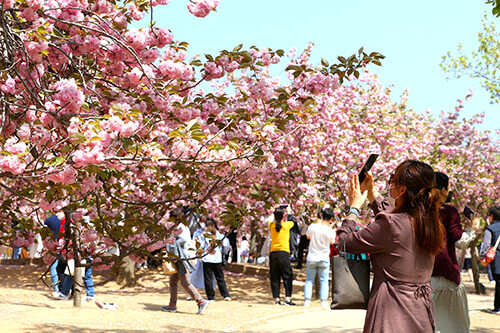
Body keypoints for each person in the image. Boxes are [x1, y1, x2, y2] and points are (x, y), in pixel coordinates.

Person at [337, 160, 444, 332]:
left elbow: (344, 242)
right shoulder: (429, 222)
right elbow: (394, 219)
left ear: (402, 190)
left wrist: (354, 208)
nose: (390, 184)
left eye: (392, 180)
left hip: (392, 314)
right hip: (421, 313)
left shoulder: (392, 225)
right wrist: (372, 193)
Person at [431, 171, 480, 332]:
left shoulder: (418, 210)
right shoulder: (449, 211)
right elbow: (460, 242)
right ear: (443, 190)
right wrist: (473, 229)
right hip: (446, 278)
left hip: (422, 277)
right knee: (453, 324)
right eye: (449, 187)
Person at [162, 209, 210, 314]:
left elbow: (180, 242)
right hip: (182, 257)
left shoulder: (179, 227)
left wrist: (168, 246)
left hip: (183, 258)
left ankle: (201, 301)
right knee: (173, 281)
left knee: (185, 281)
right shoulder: (182, 226)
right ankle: (172, 305)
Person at [303, 208, 336, 308]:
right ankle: (323, 301)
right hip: (324, 258)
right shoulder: (330, 230)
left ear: (322, 215)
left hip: (312, 257)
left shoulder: (312, 227)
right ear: (331, 218)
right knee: (324, 281)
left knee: (309, 280)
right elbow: (332, 242)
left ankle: (307, 301)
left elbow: (308, 237)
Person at [199, 218, 231, 302]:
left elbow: (200, 246)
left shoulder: (203, 235)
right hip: (217, 259)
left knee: (208, 279)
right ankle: (225, 295)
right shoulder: (219, 235)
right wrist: (223, 252)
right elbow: (226, 245)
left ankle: (211, 297)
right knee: (220, 277)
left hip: (207, 259)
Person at [268, 206, 295, 305]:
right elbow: (292, 219)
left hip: (273, 253)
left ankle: (277, 299)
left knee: (275, 276)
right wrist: (288, 211)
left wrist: (274, 209)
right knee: (287, 276)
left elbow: (271, 218)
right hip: (284, 253)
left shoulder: (271, 225)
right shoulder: (287, 225)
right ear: (284, 216)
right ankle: (287, 298)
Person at [480, 205, 500, 314]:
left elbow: (486, 246)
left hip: (497, 261)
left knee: (498, 284)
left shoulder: (490, 228)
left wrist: (483, 257)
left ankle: (497, 307)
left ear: (491, 216)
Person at [44, 212, 62, 296]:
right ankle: (64, 288)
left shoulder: (48, 220)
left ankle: (55, 288)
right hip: (64, 244)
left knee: (53, 267)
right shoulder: (66, 219)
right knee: (63, 267)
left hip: (52, 245)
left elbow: (44, 233)